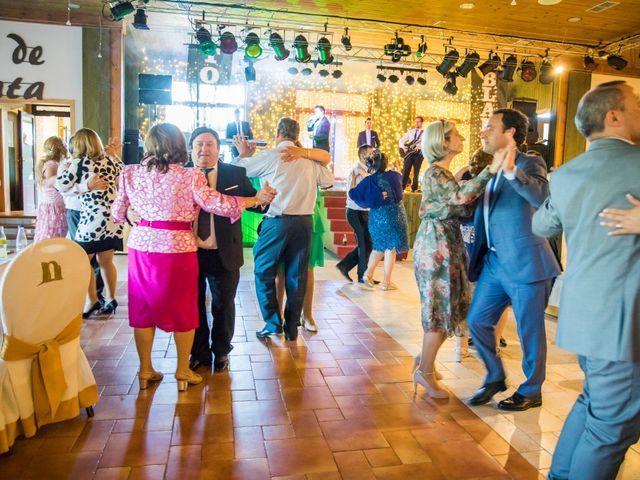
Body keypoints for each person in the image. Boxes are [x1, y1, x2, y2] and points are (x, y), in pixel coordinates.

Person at [111, 123, 274, 392]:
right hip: (177, 248)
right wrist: (254, 200)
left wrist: (133, 215)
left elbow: (118, 212)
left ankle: (145, 370)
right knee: (184, 309)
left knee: (142, 309)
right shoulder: (189, 177)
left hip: (142, 249)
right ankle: (183, 370)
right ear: (181, 147)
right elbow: (218, 204)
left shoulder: (129, 173)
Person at [532, 80, 640, 480]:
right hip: (624, 320)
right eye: (638, 104)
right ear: (613, 116)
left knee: (594, 404)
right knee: (613, 426)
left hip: (585, 311)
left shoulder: (565, 173)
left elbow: (542, 223)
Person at [466, 108, 561, 411]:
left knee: (529, 331)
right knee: (477, 321)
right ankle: (495, 376)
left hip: (526, 264)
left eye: (490, 127)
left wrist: (510, 172)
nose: (483, 132)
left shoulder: (530, 162)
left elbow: (542, 197)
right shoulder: (490, 167)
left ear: (510, 133)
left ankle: (532, 390)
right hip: (494, 265)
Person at [411, 120, 502, 398]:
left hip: (443, 241)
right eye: (456, 135)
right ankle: (424, 372)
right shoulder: (436, 173)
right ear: (443, 142)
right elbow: (461, 198)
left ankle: (423, 361)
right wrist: (490, 171)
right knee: (440, 309)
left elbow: (455, 200)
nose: (462, 137)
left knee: (447, 306)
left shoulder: (442, 173)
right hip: (437, 245)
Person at [232, 118, 334, 341]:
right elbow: (328, 180)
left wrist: (244, 153)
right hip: (305, 223)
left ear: (277, 132)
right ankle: (291, 328)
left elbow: (234, 171)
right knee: (297, 276)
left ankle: (272, 322)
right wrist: (310, 156)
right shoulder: (309, 160)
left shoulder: (271, 155)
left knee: (262, 271)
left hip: (276, 223)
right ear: (297, 134)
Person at [187, 127, 267, 373]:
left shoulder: (234, 173)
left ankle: (221, 350)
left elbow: (256, 203)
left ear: (219, 149)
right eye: (199, 144)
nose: (204, 149)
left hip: (224, 251)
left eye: (210, 144)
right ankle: (198, 352)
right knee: (193, 304)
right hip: (188, 251)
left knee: (223, 304)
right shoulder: (181, 176)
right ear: (191, 149)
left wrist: (265, 199)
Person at [56, 128, 124, 318]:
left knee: (83, 260)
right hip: (111, 217)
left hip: (91, 218)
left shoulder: (78, 163)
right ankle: (110, 298)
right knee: (106, 261)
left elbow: (61, 185)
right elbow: (125, 176)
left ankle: (91, 300)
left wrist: (83, 186)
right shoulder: (110, 160)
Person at [56, 136, 108, 305]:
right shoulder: (69, 164)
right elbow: (62, 189)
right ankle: (87, 297)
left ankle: (95, 296)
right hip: (77, 211)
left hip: (94, 214)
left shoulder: (102, 163)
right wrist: (86, 187)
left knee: (94, 259)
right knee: (83, 258)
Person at [348, 150, 408, 290]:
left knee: (380, 246)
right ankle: (386, 282)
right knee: (390, 248)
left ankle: (368, 274)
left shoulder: (369, 180)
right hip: (394, 215)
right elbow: (400, 190)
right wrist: (397, 168)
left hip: (377, 217)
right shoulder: (394, 176)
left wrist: (352, 180)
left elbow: (353, 194)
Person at [336, 145, 374, 285]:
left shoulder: (367, 171)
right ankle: (363, 276)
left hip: (364, 211)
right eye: (371, 153)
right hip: (355, 211)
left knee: (368, 243)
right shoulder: (356, 171)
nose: (373, 156)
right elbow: (351, 194)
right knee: (363, 244)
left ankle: (346, 266)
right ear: (363, 156)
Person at [34, 137, 69, 242]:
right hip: (54, 207)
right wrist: (67, 171)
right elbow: (51, 180)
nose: (66, 147)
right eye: (64, 145)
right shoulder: (52, 164)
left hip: (56, 205)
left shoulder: (55, 163)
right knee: (53, 234)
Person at [398, 116, 424, 192]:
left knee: (416, 171)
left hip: (419, 153)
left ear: (422, 123)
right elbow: (401, 140)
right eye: (416, 121)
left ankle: (414, 188)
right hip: (409, 153)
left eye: (418, 121)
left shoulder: (425, 133)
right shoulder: (411, 132)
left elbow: (426, 143)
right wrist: (403, 147)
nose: (417, 123)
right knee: (406, 170)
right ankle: (402, 187)